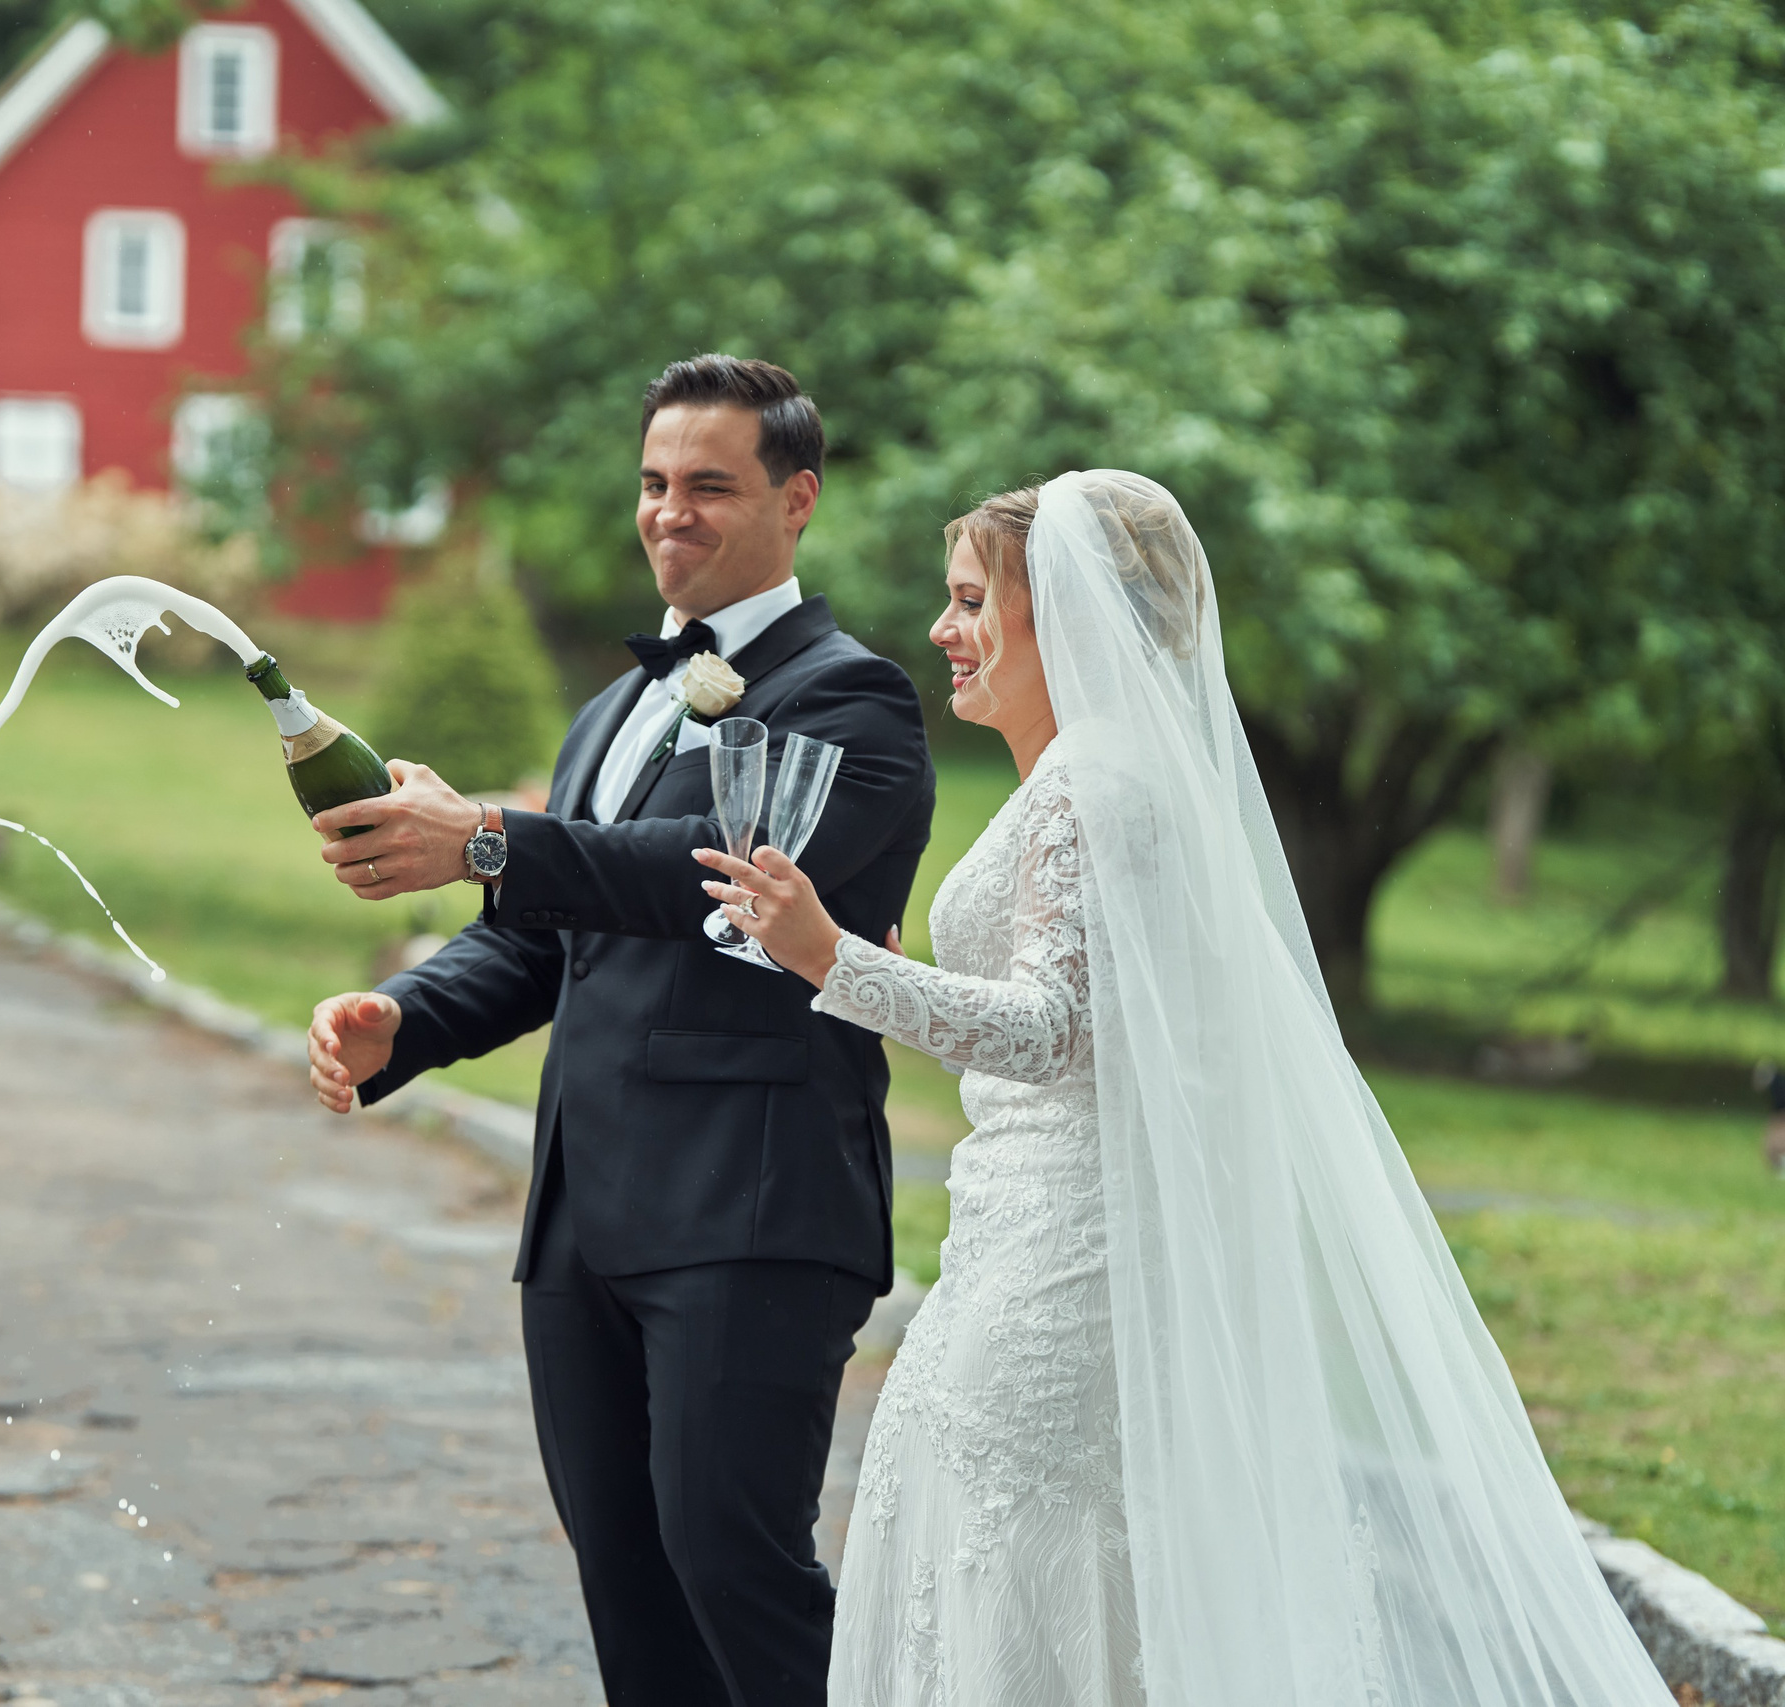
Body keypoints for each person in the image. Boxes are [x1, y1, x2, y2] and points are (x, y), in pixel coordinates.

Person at [697, 470, 1675, 1707]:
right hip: (1028, 1225)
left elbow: (1051, 1033)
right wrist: (869, 967)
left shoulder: (1096, 783)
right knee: (995, 1535)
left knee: (1027, 1558)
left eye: (967, 603)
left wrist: (837, 959)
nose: (942, 632)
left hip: (1066, 1255)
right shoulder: (1091, 776)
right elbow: (1090, 1026)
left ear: (1063, 614)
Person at [303, 354, 936, 1706]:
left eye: (711, 484)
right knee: (630, 1588)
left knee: (736, 1565)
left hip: (754, 1209)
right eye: (654, 483)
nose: (671, 512)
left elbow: (706, 863)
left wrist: (483, 832)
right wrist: (398, 1019)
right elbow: (546, 930)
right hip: (584, 1221)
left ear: (798, 499)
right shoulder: (611, 707)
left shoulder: (855, 699)